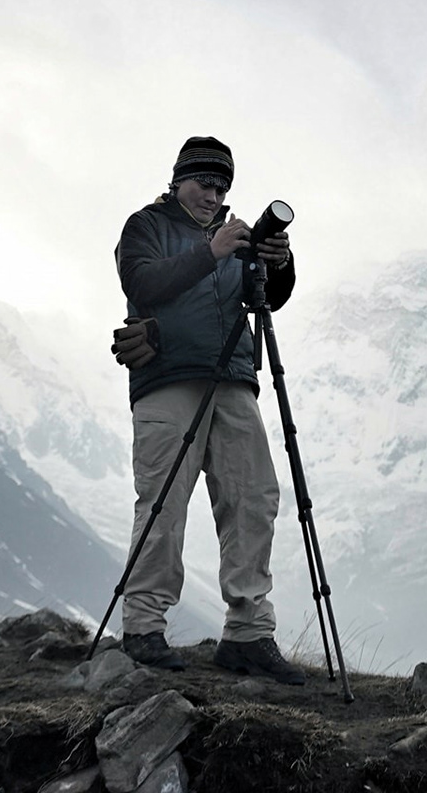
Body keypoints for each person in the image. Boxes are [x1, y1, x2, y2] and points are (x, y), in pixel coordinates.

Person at [109, 135, 304, 685]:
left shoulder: (235, 233)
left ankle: (247, 634)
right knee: (163, 502)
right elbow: (143, 283)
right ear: (178, 179)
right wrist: (211, 251)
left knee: (253, 498)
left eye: (222, 186)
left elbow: (270, 296)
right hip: (169, 375)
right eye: (204, 183)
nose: (213, 194)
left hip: (235, 377)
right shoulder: (146, 226)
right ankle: (143, 627)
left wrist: (277, 263)